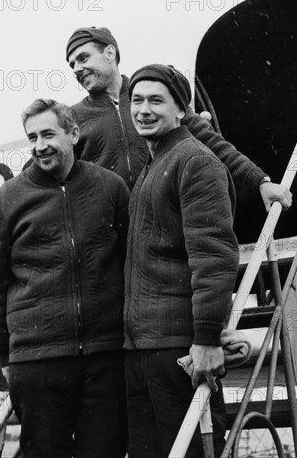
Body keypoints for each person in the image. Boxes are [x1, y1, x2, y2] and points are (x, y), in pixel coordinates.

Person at [0, 99, 130, 458]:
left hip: (104, 355)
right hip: (37, 360)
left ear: (74, 133)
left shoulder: (111, 188)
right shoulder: (5, 201)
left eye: (48, 134)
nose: (39, 145)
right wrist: (5, 355)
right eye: (32, 137)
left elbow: (129, 261)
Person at [124, 64, 240, 457]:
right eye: (137, 100)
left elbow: (214, 256)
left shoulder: (195, 161)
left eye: (156, 100)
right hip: (144, 349)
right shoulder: (153, 166)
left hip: (179, 349)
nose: (143, 109)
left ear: (180, 110)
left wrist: (207, 338)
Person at [66, 26, 292, 211]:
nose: (77, 68)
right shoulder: (72, 118)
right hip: (113, 234)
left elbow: (211, 141)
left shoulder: (155, 97)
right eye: (72, 64)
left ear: (110, 53)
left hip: (168, 219)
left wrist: (260, 181)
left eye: (83, 58)